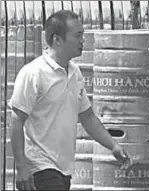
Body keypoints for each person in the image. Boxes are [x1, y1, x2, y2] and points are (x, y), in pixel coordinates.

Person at [9, 10, 132, 191]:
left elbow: (88, 117)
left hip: (64, 170)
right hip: (40, 167)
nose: (83, 40)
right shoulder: (33, 74)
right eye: (78, 36)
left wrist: (113, 146)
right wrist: (21, 168)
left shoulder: (75, 73)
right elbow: (16, 120)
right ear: (57, 39)